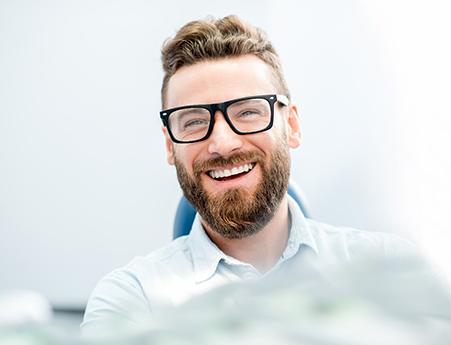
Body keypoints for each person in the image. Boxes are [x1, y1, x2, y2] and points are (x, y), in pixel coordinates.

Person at [81, 15, 414, 334]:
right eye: (194, 121)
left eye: (249, 112)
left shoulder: (389, 268)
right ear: (170, 146)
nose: (223, 144)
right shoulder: (132, 300)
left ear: (292, 126)